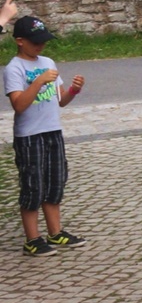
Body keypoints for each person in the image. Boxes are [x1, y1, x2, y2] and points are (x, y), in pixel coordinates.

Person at [4, 16, 86, 257]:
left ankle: (55, 232)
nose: (40, 46)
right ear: (20, 41)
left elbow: (60, 100)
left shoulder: (48, 62)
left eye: (44, 41)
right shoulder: (14, 68)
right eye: (35, 41)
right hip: (30, 136)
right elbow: (19, 105)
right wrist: (38, 82)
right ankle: (32, 239)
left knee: (55, 181)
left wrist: (73, 90)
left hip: (52, 131)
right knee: (33, 186)